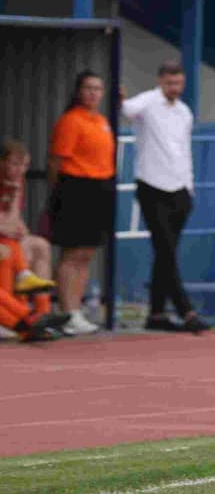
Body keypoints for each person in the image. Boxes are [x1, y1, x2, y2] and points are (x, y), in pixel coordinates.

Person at [122, 62, 208, 333]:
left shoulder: (184, 112)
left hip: (179, 189)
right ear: (160, 81)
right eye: (170, 83)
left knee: (165, 253)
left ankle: (156, 313)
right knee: (166, 250)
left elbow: (184, 151)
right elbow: (127, 109)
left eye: (178, 83)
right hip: (151, 185)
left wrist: (189, 188)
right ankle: (186, 310)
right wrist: (120, 96)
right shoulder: (148, 101)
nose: (174, 88)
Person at [47, 71, 116, 334]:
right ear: (78, 91)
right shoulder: (70, 121)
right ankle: (67, 311)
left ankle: (77, 310)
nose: (93, 93)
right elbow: (56, 161)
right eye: (88, 88)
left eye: (98, 88)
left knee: (87, 253)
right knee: (72, 253)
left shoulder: (101, 121)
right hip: (75, 188)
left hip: (100, 188)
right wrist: (58, 195)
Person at [0, 138, 64, 342]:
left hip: (5, 238)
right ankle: (30, 320)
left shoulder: (16, 183)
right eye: (15, 164)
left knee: (38, 245)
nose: (21, 170)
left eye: (25, 165)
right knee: (6, 251)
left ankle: (41, 313)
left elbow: (12, 221)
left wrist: (18, 230)